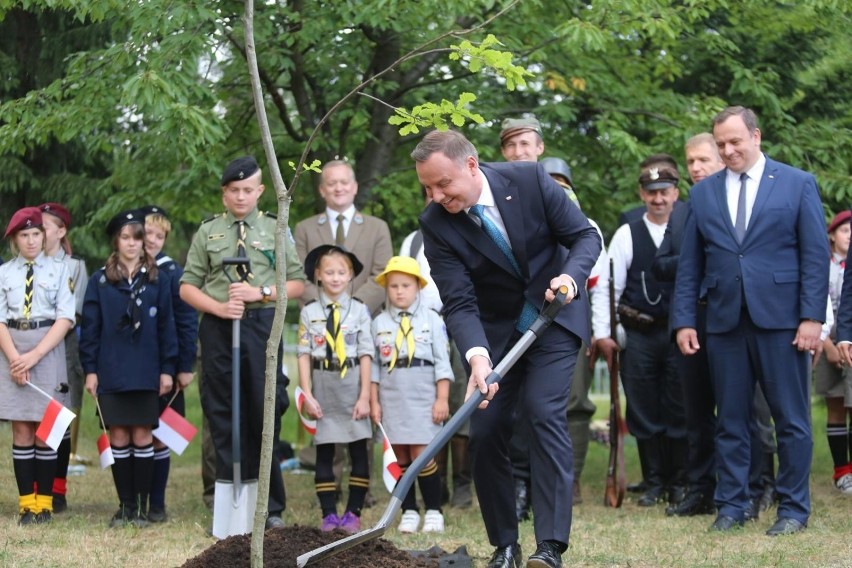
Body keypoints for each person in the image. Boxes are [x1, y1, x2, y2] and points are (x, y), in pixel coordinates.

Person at [413, 130, 601, 568]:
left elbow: (585, 237)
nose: (437, 196)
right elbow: (458, 300)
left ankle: (550, 545)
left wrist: (570, 278)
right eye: (428, 187)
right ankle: (506, 545)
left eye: (444, 184)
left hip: (554, 316)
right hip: (496, 336)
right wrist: (477, 358)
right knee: (486, 428)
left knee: (542, 411)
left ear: (472, 165)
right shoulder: (435, 223)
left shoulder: (532, 180)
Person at [673, 106, 829, 536]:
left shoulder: (797, 183)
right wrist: (684, 320)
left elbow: (815, 256)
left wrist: (812, 317)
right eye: (720, 143)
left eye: (735, 141)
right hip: (723, 321)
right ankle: (732, 504)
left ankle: (794, 509)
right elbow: (691, 266)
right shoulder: (703, 195)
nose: (727, 150)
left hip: (783, 322)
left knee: (791, 420)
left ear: (756, 137)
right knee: (731, 419)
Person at [181, 155, 305, 529]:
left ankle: (271, 507)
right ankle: (227, 503)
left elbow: (297, 284)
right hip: (220, 327)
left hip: (261, 326)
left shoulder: (276, 227)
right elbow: (187, 286)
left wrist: (260, 292)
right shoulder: (208, 232)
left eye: (247, 190)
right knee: (221, 411)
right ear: (224, 194)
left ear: (260, 191)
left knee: (262, 410)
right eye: (234, 190)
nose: (240, 197)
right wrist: (219, 308)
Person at [592, 158, 686, 509]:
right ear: (642, 194)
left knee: (679, 408)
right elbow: (606, 289)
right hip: (640, 334)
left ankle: (680, 481)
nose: (658, 199)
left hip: (679, 332)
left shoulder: (688, 229)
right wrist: (603, 333)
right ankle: (655, 481)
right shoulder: (627, 233)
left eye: (664, 192)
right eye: (651, 192)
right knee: (643, 410)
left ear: (675, 193)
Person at [80, 209, 178, 527]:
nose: (133, 243)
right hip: (112, 370)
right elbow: (91, 329)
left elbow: (167, 326)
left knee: (143, 436)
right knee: (118, 436)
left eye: (137, 237)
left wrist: (167, 369)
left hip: (147, 370)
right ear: (116, 241)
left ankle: (143, 506)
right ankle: (125, 507)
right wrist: (91, 370)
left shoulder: (157, 279)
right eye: (126, 237)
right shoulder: (100, 281)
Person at [0, 207, 75, 525]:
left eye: (36, 234)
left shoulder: (61, 270)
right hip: (11, 352)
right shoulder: (4, 273)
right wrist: (16, 358)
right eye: (24, 235)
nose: (31, 241)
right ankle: (26, 504)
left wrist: (34, 356)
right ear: (14, 240)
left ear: (44, 236)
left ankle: (44, 504)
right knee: (21, 429)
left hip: (47, 352)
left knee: (46, 429)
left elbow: (66, 318)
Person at [400, 189, 473, 510]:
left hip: (465, 325)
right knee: (433, 408)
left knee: (462, 405)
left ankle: (463, 484)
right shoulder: (413, 242)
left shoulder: (472, 232)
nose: (435, 198)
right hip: (425, 331)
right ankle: (436, 482)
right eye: (428, 193)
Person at [370, 256, 453, 533]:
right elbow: (374, 369)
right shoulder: (379, 321)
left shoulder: (432, 318)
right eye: (393, 286)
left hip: (423, 394)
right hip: (393, 395)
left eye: (406, 285)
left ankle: (433, 510)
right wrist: (374, 401)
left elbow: (443, 363)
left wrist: (442, 398)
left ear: (418, 286)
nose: (399, 291)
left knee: (423, 453)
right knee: (400, 455)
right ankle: (408, 510)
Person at [541, 156, 606, 507]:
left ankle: (574, 478)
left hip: (574, 323)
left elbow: (600, 285)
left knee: (576, 404)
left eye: (560, 182)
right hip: (532, 320)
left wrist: (595, 332)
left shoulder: (586, 226)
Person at [297, 244, 373, 533]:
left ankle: (353, 512)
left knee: (358, 451)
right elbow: (303, 355)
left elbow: (366, 354)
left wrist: (365, 395)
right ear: (317, 275)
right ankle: (328, 514)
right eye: (329, 272)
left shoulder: (360, 311)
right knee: (325, 451)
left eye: (342, 272)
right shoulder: (309, 313)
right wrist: (307, 393)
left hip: (353, 385)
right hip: (324, 387)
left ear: (351, 275)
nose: (336, 277)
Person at [141, 205, 198, 521]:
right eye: (147, 233)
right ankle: (137, 498)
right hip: (137, 366)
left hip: (169, 364)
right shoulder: (124, 270)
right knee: (138, 432)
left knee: (161, 433)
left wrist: (185, 365)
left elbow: (187, 321)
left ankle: (157, 503)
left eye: (158, 235)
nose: (151, 240)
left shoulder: (174, 273)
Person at [38, 202, 88, 514]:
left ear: (61, 231)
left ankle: (58, 489)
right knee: (34, 419)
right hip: (31, 347)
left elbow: (75, 312)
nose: (40, 232)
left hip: (63, 347)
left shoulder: (74, 266)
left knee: (60, 420)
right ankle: (35, 487)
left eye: (44, 226)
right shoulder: (26, 263)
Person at [294, 160, 393, 316]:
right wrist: (325, 306)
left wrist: (354, 308)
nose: (339, 188)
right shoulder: (304, 229)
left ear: (354, 187)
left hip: (365, 319)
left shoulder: (378, 228)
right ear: (321, 190)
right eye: (332, 183)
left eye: (344, 182)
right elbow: (298, 275)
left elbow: (382, 275)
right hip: (318, 319)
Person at [816, 210, 852, 494]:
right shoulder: (822, 266)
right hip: (828, 340)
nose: (849, 236)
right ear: (832, 235)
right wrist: (827, 345)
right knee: (836, 405)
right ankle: (842, 470)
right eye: (844, 230)